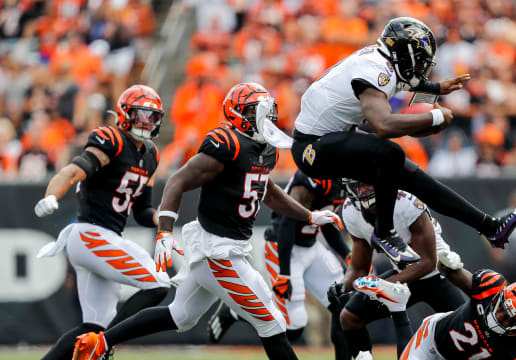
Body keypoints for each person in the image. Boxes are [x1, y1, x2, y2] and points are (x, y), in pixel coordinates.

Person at [71, 83, 344, 360]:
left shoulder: (266, 150)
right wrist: (165, 231)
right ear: (236, 113)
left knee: (181, 315)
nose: (264, 116)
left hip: (225, 248)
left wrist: (309, 215)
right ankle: (101, 343)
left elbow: (267, 190)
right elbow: (178, 181)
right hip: (219, 252)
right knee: (272, 322)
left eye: (265, 110)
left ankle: (100, 342)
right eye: (253, 110)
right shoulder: (228, 143)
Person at [291, 16, 516, 266]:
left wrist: (437, 88)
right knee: (390, 153)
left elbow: (409, 81)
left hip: (331, 138)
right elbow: (383, 126)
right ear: (405, 52)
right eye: (420, 57)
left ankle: (490, 227)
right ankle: (384, 233)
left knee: (410, 173)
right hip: (312, 147)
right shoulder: (375, 70)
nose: (422, 66)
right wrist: (434, 116)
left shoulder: (384, 60)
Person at [33, 85, 170, 360]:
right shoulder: (112, 139)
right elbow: (73, 171)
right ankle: (106, 343)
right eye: (140, 115)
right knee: (158, 283)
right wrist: (51, 195)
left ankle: (101, 342)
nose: (146, 122)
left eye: (152, 117)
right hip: (91, 235)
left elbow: (143, 211)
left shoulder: (151, 154)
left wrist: (162, 218)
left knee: (93, 328)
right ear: (123, 114)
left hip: (103, 238)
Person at [207, 170, 351, 360]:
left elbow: (327, 224)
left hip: (311, 246)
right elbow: (287, 222)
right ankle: (237, 312)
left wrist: (347, 256)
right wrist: (284, 274)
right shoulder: (313, 178)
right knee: (294, 327)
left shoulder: (341, 181)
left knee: (344, 301)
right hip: (283, 247)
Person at [328, 180, 467, 359]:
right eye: (357, 185)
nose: (363, 190)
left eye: (368, 182)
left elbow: (427, 262)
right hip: (404, 276)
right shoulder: (351, 211)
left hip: (439, 273)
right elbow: (359, 267)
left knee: (465, 330)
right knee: (349, 317)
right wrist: (344, 285)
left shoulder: (405, 202)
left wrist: (383, 284)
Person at [398, 249, 516, 360]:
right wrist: (448, 263)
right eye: (502, 307)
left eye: (510, 320)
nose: (499, 316)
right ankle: (396, 310)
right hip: (432, 342)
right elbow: (447, 271)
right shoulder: (492, 286)